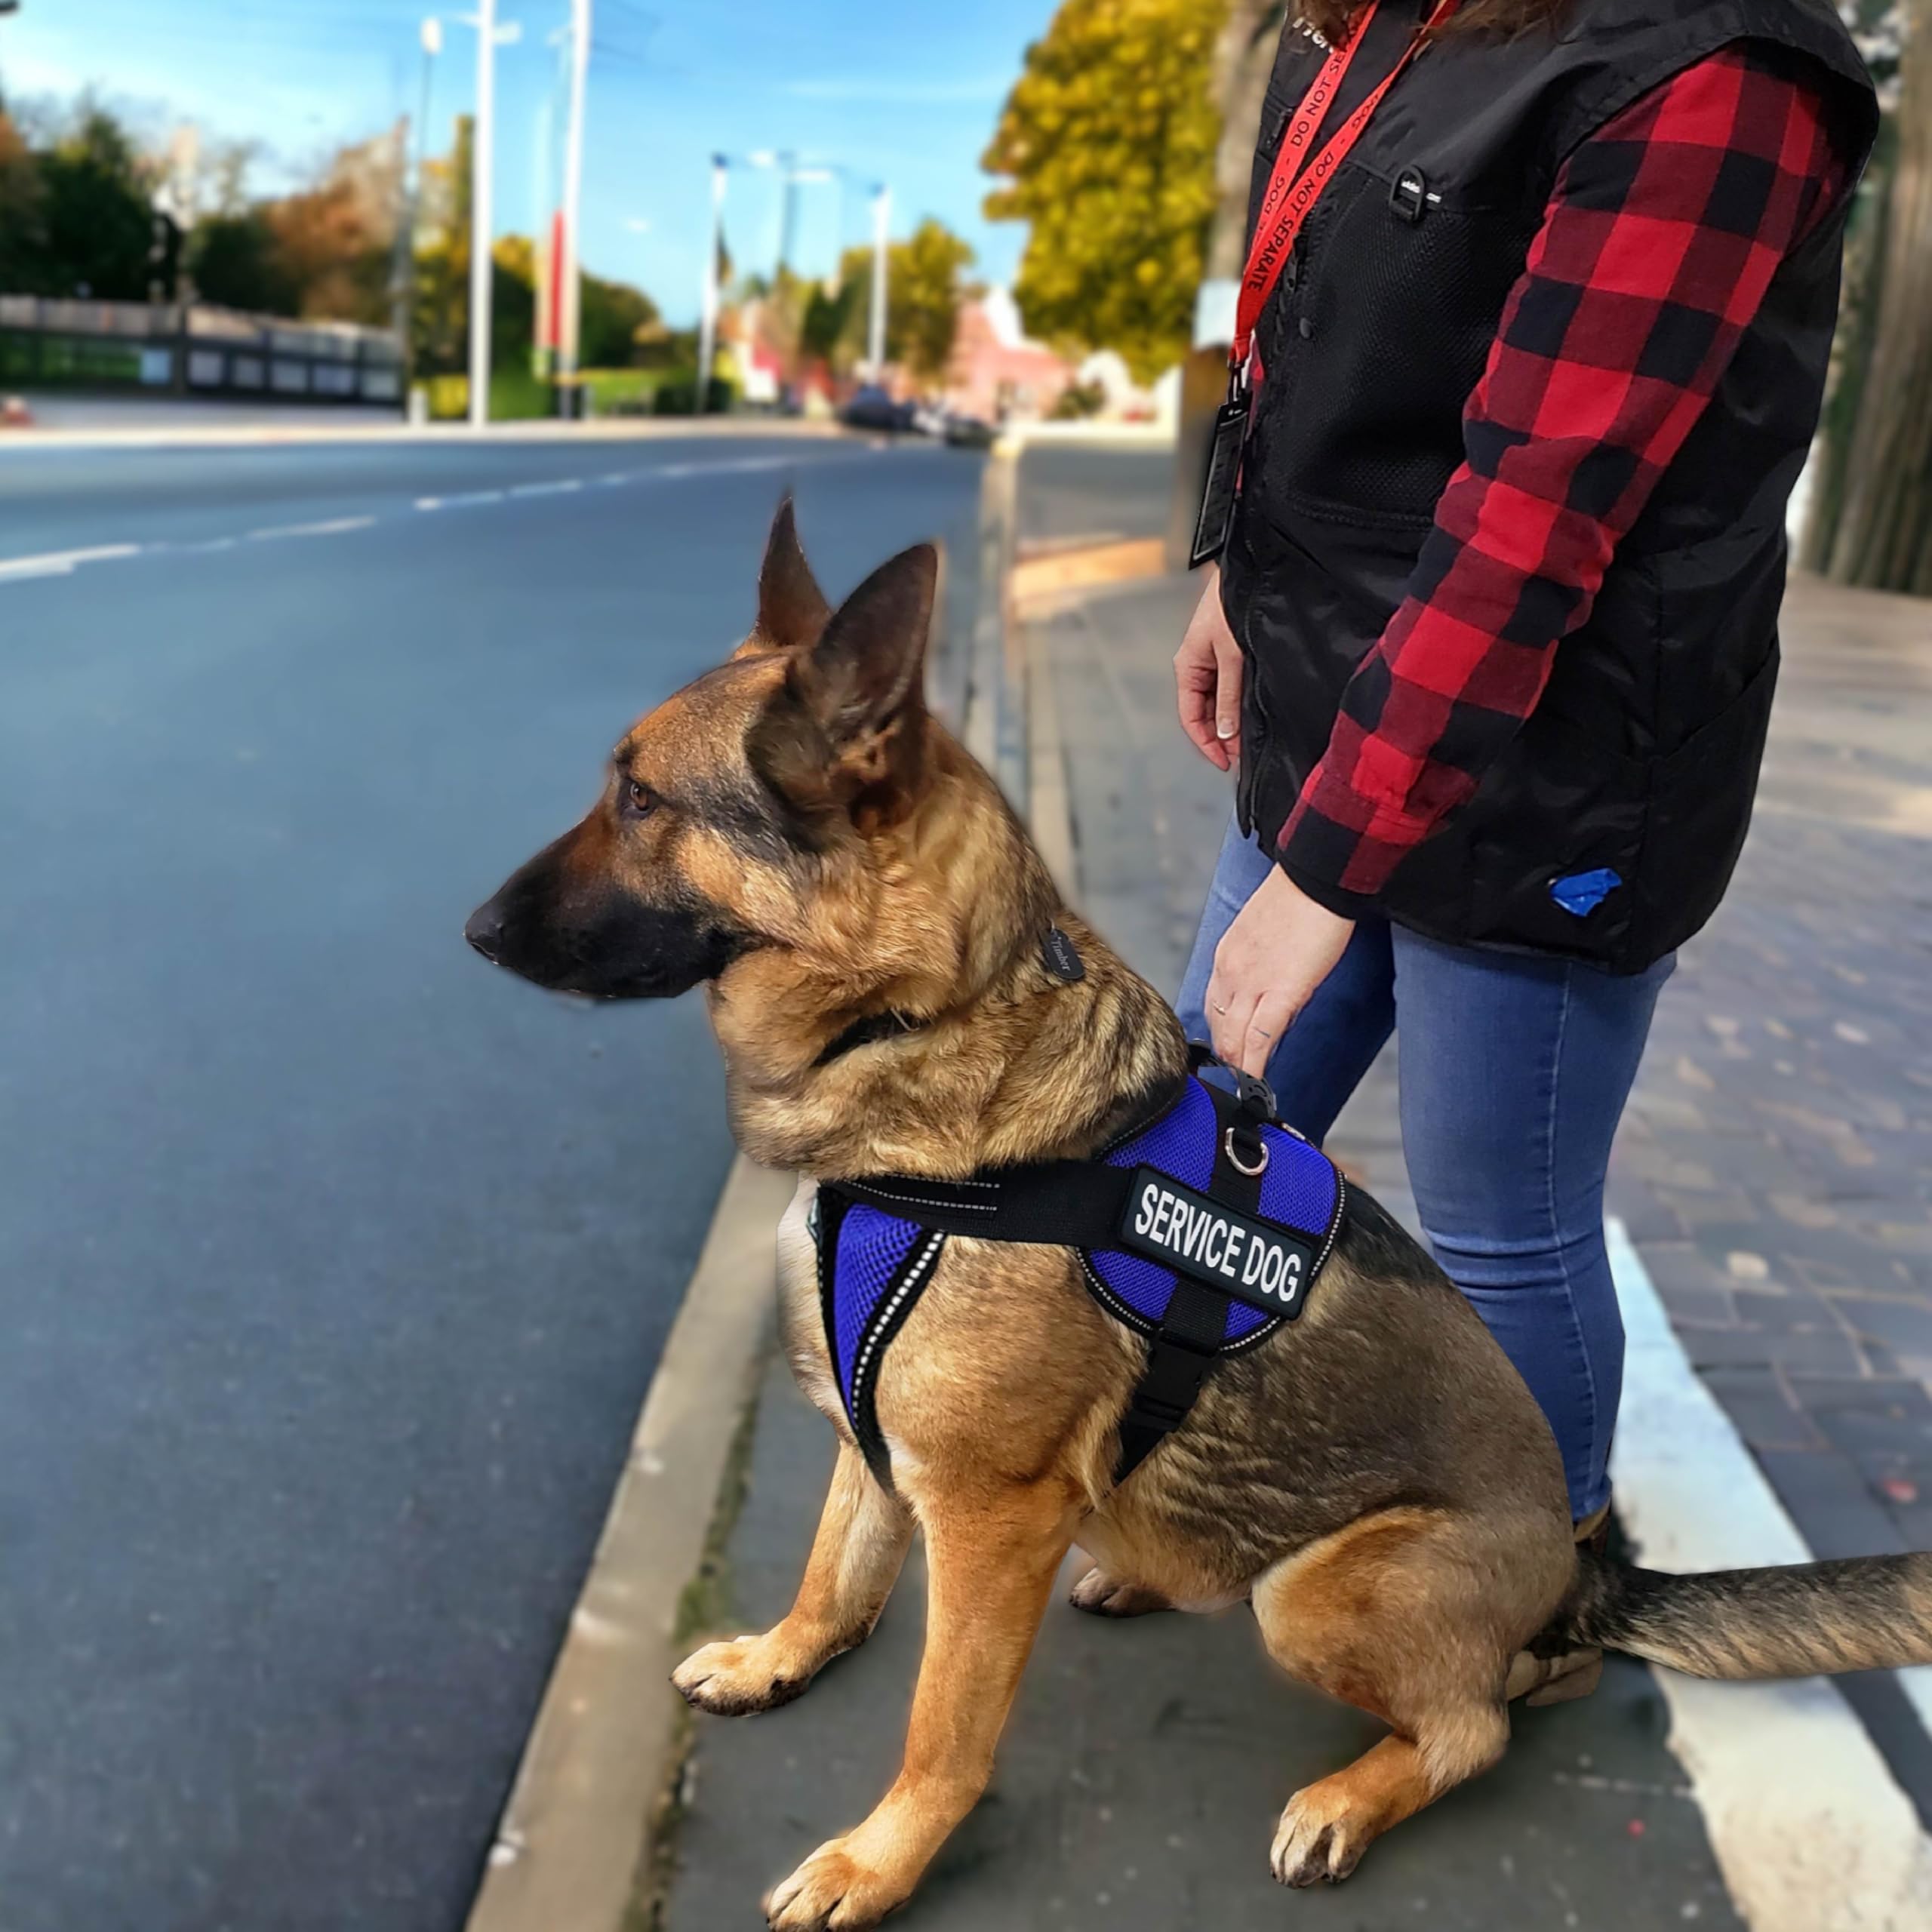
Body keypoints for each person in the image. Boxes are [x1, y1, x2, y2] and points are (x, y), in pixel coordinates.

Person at [1174, 0, 1877, 1530]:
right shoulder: (1374, 20)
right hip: (1337, 712)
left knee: (1494, 1223)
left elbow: (1533, 519)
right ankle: (1185, 1481)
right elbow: (1292, 337)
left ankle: (1536, 1570)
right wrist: (1229, 562)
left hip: (1554, 762)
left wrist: (1324, 868)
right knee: (1200, 1147)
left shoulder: (1713, 70)